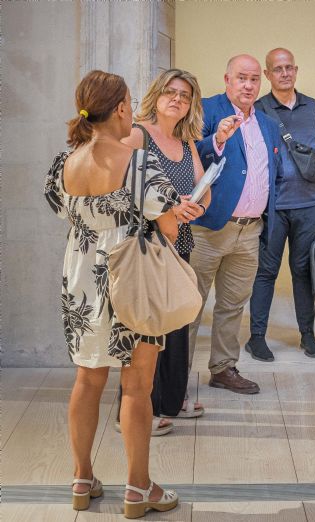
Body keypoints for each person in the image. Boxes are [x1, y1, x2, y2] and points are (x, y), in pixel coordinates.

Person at [45, 70, 179, 517]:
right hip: (130, 278)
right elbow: (171, 225)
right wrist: (184, 209)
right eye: (131, 102)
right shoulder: (139, 164)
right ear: (121, 108)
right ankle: (138, 489)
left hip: (81, 278)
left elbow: (64, 209)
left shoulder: (63, 164)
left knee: (87, 380)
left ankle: (82, 478)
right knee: (137, 388)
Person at [114, 69, 210, 436]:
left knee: (175, 323)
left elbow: (204, 191)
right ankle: (136, 414)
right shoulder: (138, 135)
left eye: (184, 96)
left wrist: (192, 209)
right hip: (145, 247)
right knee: (144, 334)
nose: (177, 99)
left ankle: (170, 401)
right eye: (170, 92)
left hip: (178, 245)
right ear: (155, 95)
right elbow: (118, 187)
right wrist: (167, 210)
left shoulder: (186, 144)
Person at [189, 54, 281, 394]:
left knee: (231, 305)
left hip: (250, 231)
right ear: (227, 79)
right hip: (209, 228)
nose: (248, 84)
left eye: (255, 79)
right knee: (190, 305)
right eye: (241, 78)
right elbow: (189, 154)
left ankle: (223, 368)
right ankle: (175, 377)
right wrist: (218, 140)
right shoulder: (208, 109)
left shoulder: (268, 123)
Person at [245, 47, 315, 361]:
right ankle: (257, 338)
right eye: (277, 69)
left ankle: (307, 335)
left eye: (289, 68)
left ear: (296, 70)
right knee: (266, 272)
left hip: (309, 203)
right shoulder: (258, 109)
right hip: (273, 206)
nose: (284, 73)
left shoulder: (313, 106)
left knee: (303, 271)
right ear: (267, 74)